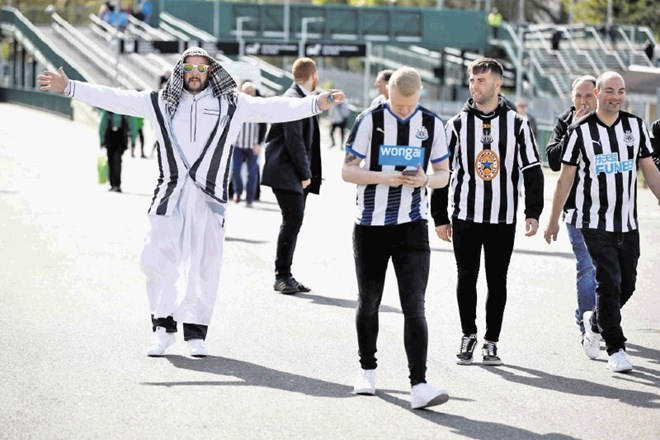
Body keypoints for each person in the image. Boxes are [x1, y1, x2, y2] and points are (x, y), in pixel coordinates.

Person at [37, 47, 344, 357]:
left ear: (210, 71)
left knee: (204, 265)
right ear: (180, 70)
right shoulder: (158, 102)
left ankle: (195, 333)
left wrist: (316, 103)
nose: (195, 74)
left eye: (201, 68)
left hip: (209, 201)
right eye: (189, 68)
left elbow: (276, 108)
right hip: (169, 197)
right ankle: (163, 327)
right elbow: (115, 97)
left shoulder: (232, 104)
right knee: (157, 260)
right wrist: (70, 87)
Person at [342, 66, 450, 410]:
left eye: (409, 105)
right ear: (388, 93)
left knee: (414, 306)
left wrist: (425, 182)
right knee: (369, 300)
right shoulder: (369, 120)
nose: (403, 110)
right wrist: (382, 178)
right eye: (397, 104)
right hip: (370, 226)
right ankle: (367, 371)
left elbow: (444, 175)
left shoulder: (432, 124)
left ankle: (419, 384)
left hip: (412, 226)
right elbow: (347, 170)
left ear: (420, 96)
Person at [431, 57, 544, 367]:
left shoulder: (518, 124)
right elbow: (443, 172)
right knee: (466, 277)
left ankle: (491, 341)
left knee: (497, 280)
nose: (474, 86)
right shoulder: (455, 124)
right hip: (465, 216)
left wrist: (533, 212)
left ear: (498, 84)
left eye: (481, 80)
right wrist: (439, 216)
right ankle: (468, 334)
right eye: (472, 80)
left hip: (502, 218)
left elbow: (532, 170)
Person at [544, 71, 660, 373]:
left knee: (627, 283)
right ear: (598, 93)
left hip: (627, 222)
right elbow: (564, 178)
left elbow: (649, 169)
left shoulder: (635, 127)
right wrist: (553, 220)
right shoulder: (580, 131)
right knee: (607, 281)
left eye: (621, 92)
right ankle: (616, 347)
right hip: (592, 221)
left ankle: (594, 320)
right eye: (610, 91)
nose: (616, 97)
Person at [262, 58, 322, 295]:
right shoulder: (293, 101)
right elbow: (294, 140)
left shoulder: (301, 100)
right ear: (313, 75)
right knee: (292, 220)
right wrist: (305, 174)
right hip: (287, 172)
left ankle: (286, 274)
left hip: (292, 172)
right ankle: (282, 276)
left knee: (293, 222)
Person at [545, 75, 598, 341]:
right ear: (571, 97)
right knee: (587, 266)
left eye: (589, 95)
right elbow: (553, 161)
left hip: (611, 210)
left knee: (613, 271)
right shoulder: (565, 121)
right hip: (576, 207)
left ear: (598, 95)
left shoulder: (610, 121)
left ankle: (593, 315)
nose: (583, 101)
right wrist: (573, 128)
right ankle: (589, 325)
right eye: (578, 96)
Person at [231, 81, 266, 207]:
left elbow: (263, 126)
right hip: (238, 145)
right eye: (247, 91)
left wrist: (259, 144)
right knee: (235, 170)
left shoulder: (258, 106)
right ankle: (237, 192)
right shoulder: (236, 105)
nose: (250, 93)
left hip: (253, 146)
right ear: (242, 92)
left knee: (252, 173)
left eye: (252, 90)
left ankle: (250, 198)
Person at [99, 109, 137, 192]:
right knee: (111, 161)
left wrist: (133, 141)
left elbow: (132, 126)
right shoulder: (108, 111)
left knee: (116, 160)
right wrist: (101, 140)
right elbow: (102, 125)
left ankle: (117, 184)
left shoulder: (125, 111)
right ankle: (113, 184)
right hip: (111, 138)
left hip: (120, 139)